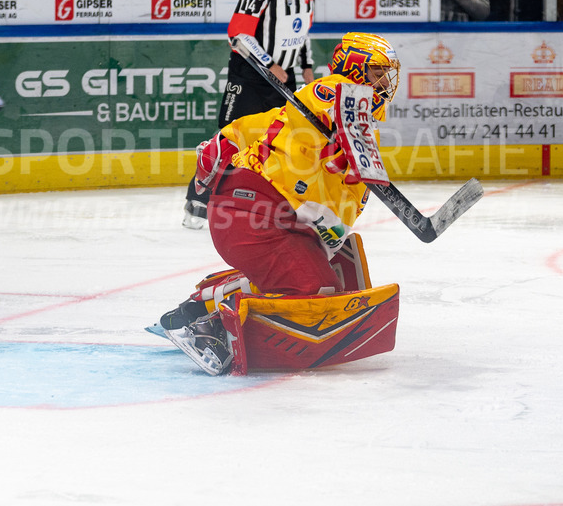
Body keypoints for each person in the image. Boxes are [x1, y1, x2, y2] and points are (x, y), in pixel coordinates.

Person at [162, 32, 401, 374]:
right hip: (252, 210)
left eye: (386, 74)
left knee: (326, 283)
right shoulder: (331, 92)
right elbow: (335, 99)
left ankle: (203, 306)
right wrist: (347, 126)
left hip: (276, 221)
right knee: (312, 288)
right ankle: (208, 332)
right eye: (377, 72)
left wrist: (331, 237)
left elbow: (231, 138)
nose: (384, 83)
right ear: (354, 68)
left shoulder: (342, 128)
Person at [182, 0, 316, 228]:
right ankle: (197, 202)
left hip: (285, 78)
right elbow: (238, 34)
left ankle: (261, 207)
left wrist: (307, 69)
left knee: (280, 145)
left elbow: (303, 31)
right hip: (250, 76)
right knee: (231, 140)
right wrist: (270, 64)